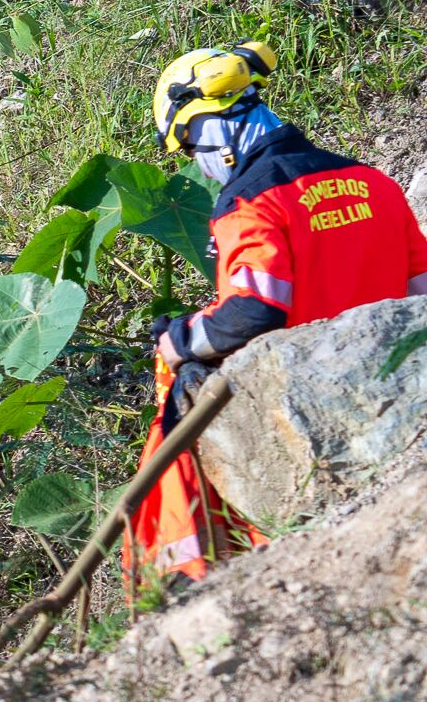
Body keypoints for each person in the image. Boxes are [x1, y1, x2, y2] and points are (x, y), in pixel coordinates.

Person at [132, 41, 427, 585]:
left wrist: (179, 339)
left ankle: (190, 577)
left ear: (213, 130)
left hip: (306, 438)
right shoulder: (375, 184)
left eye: (189, 146)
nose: (195, 164)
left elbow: (254, 312)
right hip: (402, 418)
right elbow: (420, 294)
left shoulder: (251, 205)